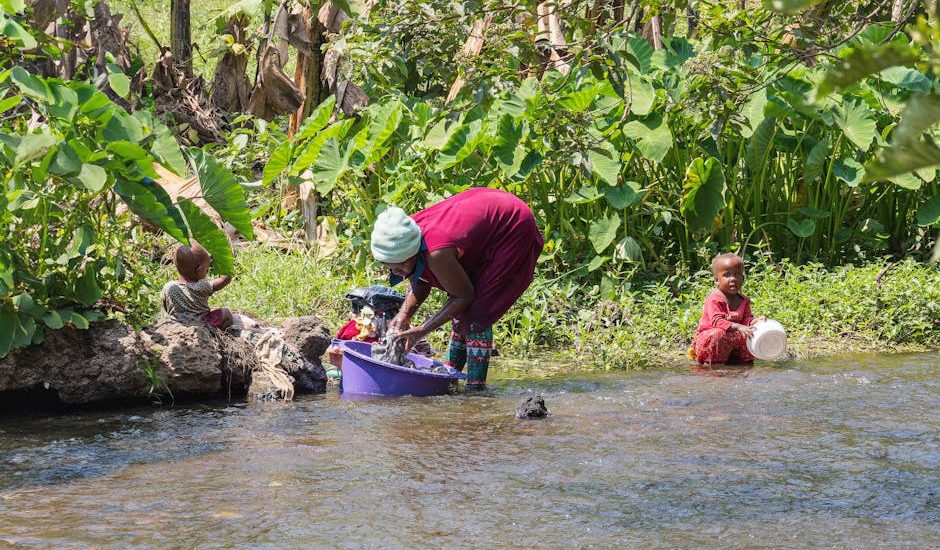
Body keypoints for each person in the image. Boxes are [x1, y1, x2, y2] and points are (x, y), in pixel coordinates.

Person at [369, 188, 543, 388]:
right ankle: (449, 377)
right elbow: (421, 278)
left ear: (412, 253)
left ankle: (475, 389)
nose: (398, 272)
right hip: (486, 214)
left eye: (399, 266)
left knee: (477, 311)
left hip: (512, 225)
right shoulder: (404, 234)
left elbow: (463, 296)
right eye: (391, 268)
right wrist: (404, 314)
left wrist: (422, 331)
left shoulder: (436, 252)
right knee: (462, 310)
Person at [691, 252, 766, 365]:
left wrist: (755, 321)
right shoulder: (715, 299)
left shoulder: (743, 300)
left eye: (737, 275)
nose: (733, 279)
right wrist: (740, 327)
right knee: (718, 334)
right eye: (727, 275)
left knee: (749, 332)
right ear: (717, 280)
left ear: (743, 278)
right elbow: (717, 321)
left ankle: (740, 363)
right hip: (711, 340)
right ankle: (714, 366)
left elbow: (746, 319)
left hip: (731, 340)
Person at [160, 243, 254, 330]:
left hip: (177, 323)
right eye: (206, 269)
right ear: (199, 270)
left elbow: (166, 305)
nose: (207, 271)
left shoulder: (168, 287)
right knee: (226, 312)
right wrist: (224, 262)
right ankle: (220, 332)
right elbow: (225, 279)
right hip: (202, 324)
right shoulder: (201, 286)